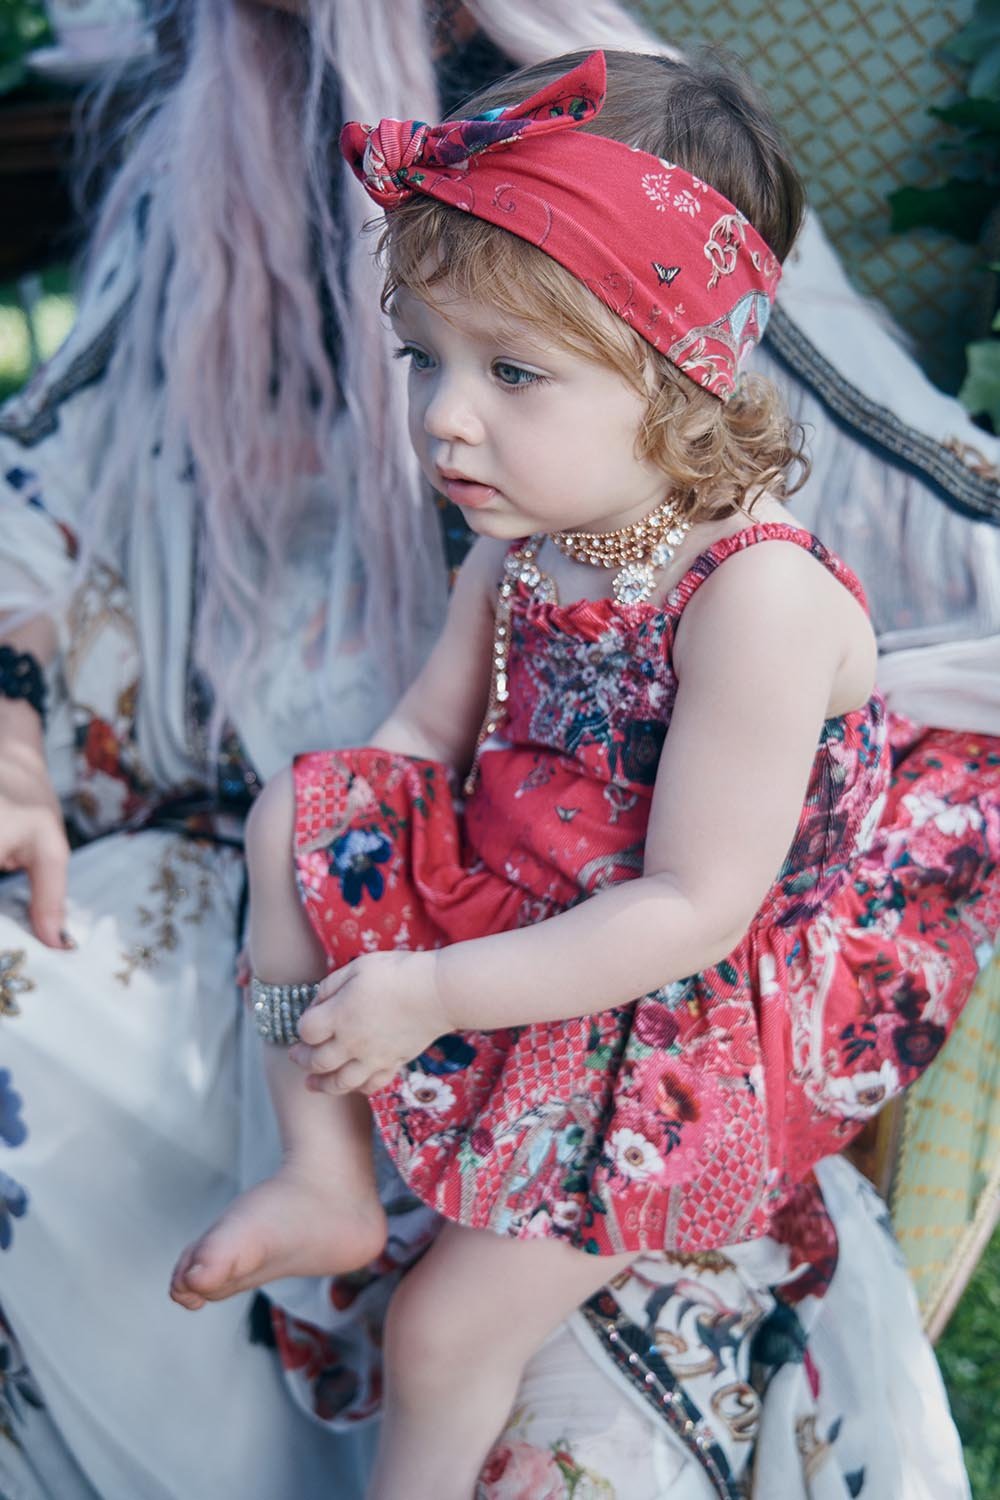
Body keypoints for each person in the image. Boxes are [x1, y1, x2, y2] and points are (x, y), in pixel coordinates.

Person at [164, 48, 1000, 1499]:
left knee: (443, 1332)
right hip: (530, 887)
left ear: (682, 368)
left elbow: (690, 907)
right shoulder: (528, 536)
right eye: (428, 354)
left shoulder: (757, 602)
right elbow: (430, 733)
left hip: (674, 1003)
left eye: (512, 372)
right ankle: (326, 1175)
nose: (443, 416)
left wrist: (428, 990)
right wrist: (358, 845)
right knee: (292, 808)